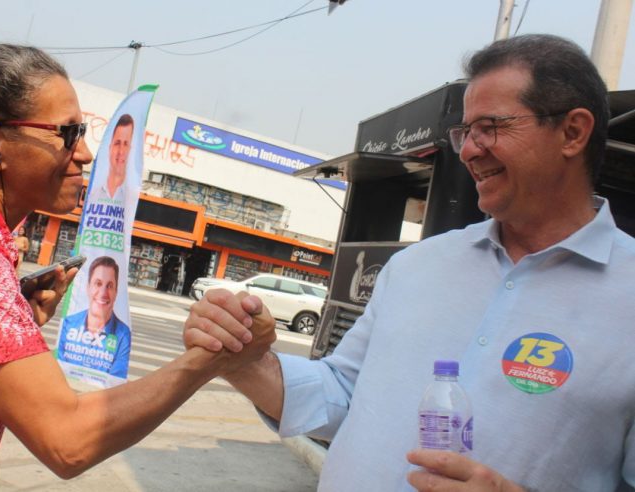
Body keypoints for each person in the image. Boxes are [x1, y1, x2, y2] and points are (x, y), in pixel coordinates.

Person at [185, 34, 635, 491]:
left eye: (491, 127)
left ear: (573, 132)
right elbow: (342, 395)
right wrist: (245, 362)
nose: (469, 150)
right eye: (466, 131)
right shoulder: (418, 266)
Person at [0, 43, 274, 491]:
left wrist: (12, 319)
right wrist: (209, 360)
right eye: (67, 134)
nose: (84, 154)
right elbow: (67, 441)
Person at [58, 256, 131, 378]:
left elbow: (115, 382)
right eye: (98, 284)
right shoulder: (68, 323)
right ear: (88, 288)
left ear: (116, 292)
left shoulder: (123, 335)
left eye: (109, 286)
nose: (103, 293)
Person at [91, 113, 133, 203]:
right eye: (117, 143)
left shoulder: (131, 198)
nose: (121, 151)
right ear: (110, 147)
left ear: (130, 149)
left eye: (126, 144)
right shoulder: (93, 192)